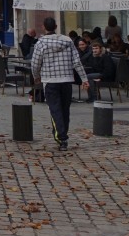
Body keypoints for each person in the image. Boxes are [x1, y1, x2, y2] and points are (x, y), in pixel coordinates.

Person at [31, 16, 89, 151]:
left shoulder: (41, 43)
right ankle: (63, 134)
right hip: (67, 80)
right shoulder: (68, 41)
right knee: (64, 109)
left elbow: (35, 63)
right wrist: (84, 79)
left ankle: (61, 137)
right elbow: (76, 62)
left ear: (44, 27)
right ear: (56, 27)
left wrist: (36, 76)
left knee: (55, 109)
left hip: (50, 80)